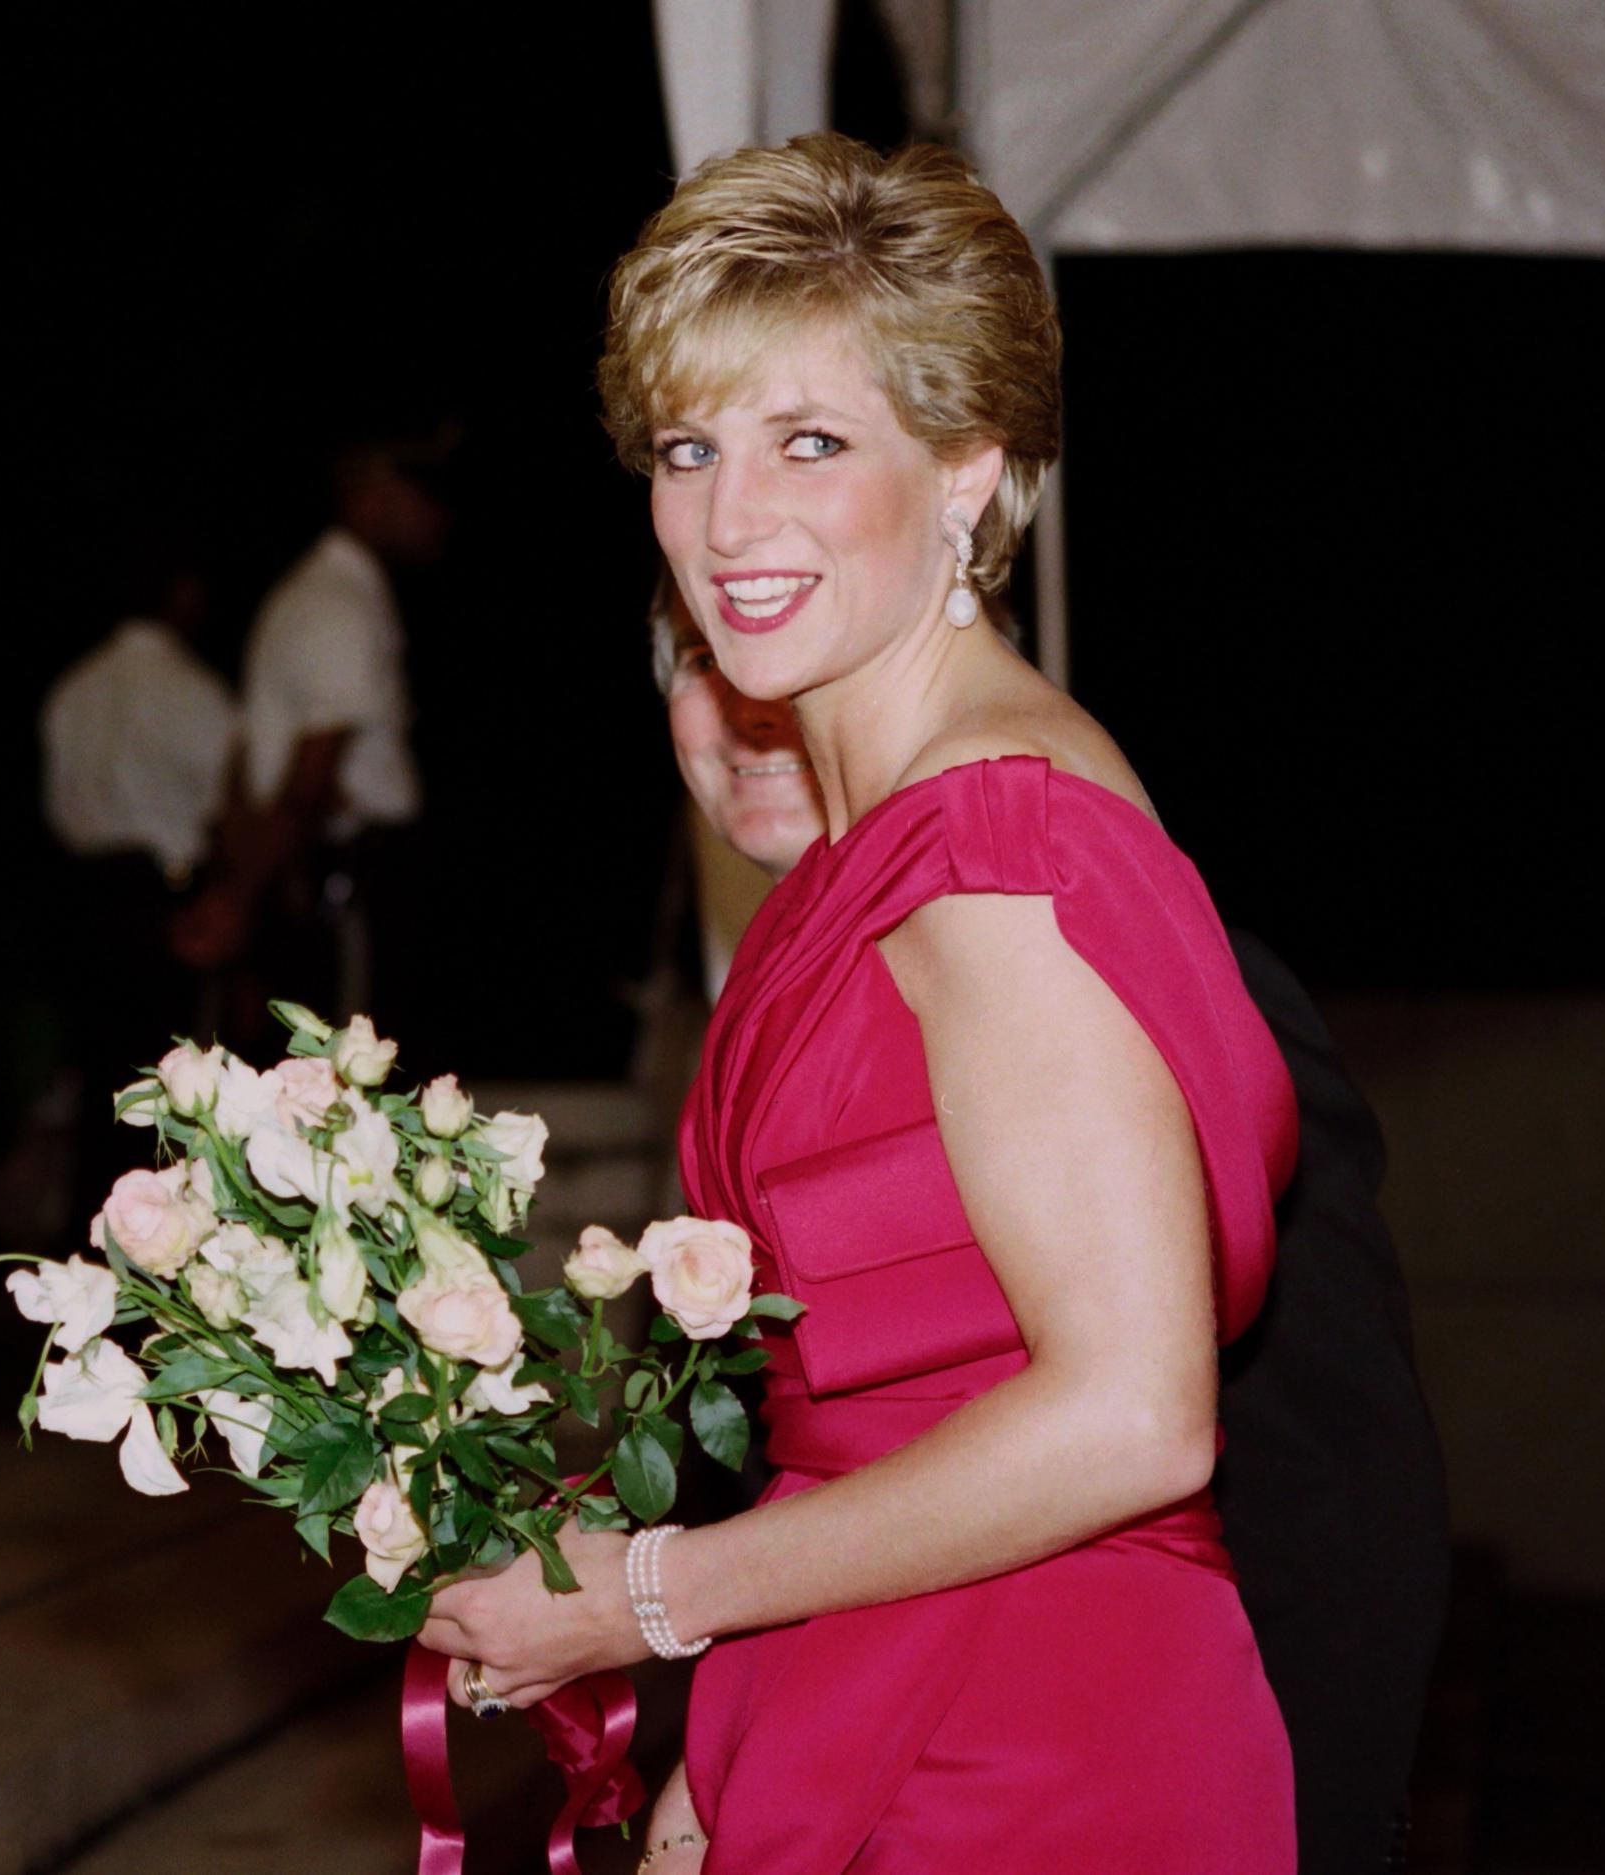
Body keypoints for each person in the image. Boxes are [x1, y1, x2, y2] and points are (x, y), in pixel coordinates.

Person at [419, 135, 1297, 1870]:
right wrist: (718, 1753)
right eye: (691, 447)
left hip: (1036, 1725)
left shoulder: (995, 843)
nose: (730, 520)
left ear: (968, 471)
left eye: (812, 442)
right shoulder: (885, 839)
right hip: (873, 1654)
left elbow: (1136, 1409)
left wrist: (646, 1600)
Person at [650, 579, 1450, 1874]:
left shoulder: (1096, 941)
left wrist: (1332, 1814)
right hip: (844, 1717)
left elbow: (1337, 1447)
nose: (745, 706)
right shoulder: (761, 1028)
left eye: (785, 653)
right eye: (698, 656)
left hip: (1090, 1747)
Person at [174, 438, 448, 1033]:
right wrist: (240, 900)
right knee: (355, 1075)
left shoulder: (323, 592)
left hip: (313, 874)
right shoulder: (336, 601)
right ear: (371, 500)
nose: (439, 515)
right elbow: (310, 769)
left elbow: (248, 761)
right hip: (344, 879)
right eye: (424, 494)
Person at [40, 555, 237, 1203]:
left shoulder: (73, 687)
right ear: (180, 594)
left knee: (100, 1073)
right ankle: (163, 1232)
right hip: (163, 892)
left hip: (87, 894)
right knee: (170, 1078)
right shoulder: (192, 689)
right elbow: (231, 801)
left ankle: (98, 1235)